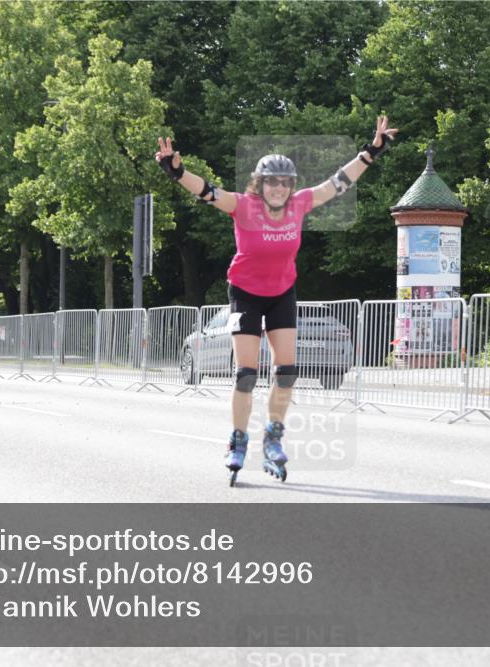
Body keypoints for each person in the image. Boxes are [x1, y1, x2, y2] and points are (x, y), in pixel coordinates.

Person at [155, 116, 398, 483]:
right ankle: (237, 440)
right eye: (273, 183)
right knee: (246, 374)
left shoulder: (300, 204)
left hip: (282, 292)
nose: (280, 189)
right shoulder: (242, 206)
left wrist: (371, 151)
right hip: (245, 294)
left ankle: (273, 437)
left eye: (285, 183)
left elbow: (338, 183)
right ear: (261, 184)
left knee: (286, 372)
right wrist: (177, 171)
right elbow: (208, 191)